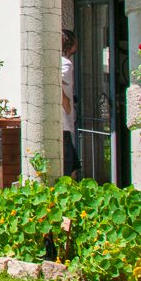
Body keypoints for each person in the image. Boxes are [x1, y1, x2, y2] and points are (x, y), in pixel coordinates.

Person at [60, 29, 80, 178]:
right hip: (62, 122)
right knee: (68, 162)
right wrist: (66, 102)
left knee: (73, 163)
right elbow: (54, 81)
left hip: (63, 122)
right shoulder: (66, 64)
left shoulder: (61, 62)